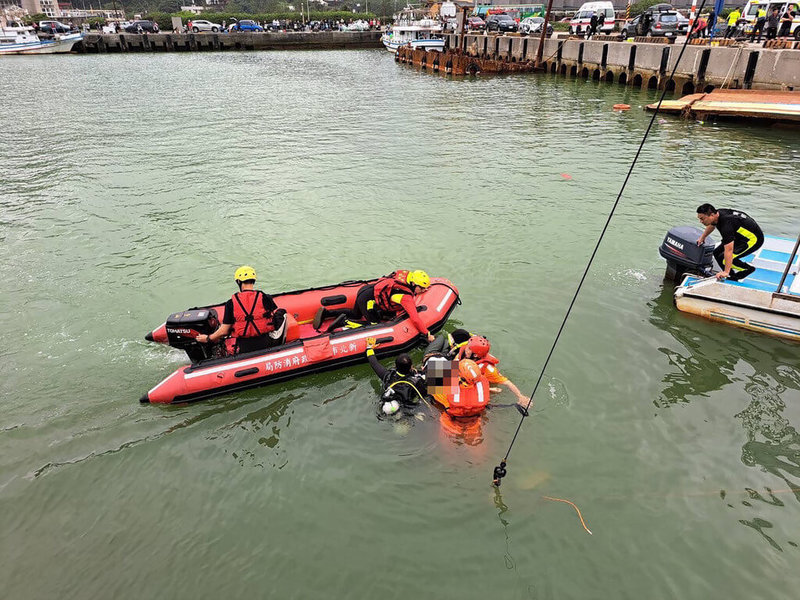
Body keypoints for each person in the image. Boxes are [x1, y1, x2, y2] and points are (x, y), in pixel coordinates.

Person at [313, 270, 436, 342]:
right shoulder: (406, 297)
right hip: (368, 300)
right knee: (375, 325)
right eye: (422, 288)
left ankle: (327, 313)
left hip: (365, 290)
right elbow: (415, 318)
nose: (424, 290)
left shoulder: (406, 276)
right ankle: (344, 322)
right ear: (414, 284)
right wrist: (427, 334)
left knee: (357, 313)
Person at [196, 265, 287, 354]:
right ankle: (280, 347)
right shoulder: (265, 298)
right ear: (253, 281)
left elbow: (224, 330)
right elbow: (271, 318)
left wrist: (208, 338)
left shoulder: (231, 303)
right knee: (282, 313)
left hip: (244, 347)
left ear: (239, 281)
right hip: (265, 343)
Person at [425, 330, 529, 407]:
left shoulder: (488, 369)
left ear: (475, 355)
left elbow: (507, 382)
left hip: (466, 381)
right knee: (433, 373)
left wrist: (520, 396)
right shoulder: (465, 351)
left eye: (469, 348)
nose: (466, 348)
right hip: (460, 376)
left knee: (431, 377)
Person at [696, 204, 764, 282]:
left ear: (711, 215)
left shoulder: (726, 224)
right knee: (716, 253)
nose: (701, 221)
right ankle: (733, 276)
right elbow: (712, 225)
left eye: (702, 219)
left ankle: (748, 268)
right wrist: (702, 237)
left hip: (753, 239)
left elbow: (729, 250)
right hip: (739, 236)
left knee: (724, 259)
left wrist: (726, 272)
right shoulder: (717, 215)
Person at [365, 337, 427, 416]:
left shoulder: (387, 376)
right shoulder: (417, 381)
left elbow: (374, 363)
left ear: (395, 365)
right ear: (411, 366)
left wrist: (369, 348)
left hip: (393, 407)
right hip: (410, 410)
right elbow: (426, 394)